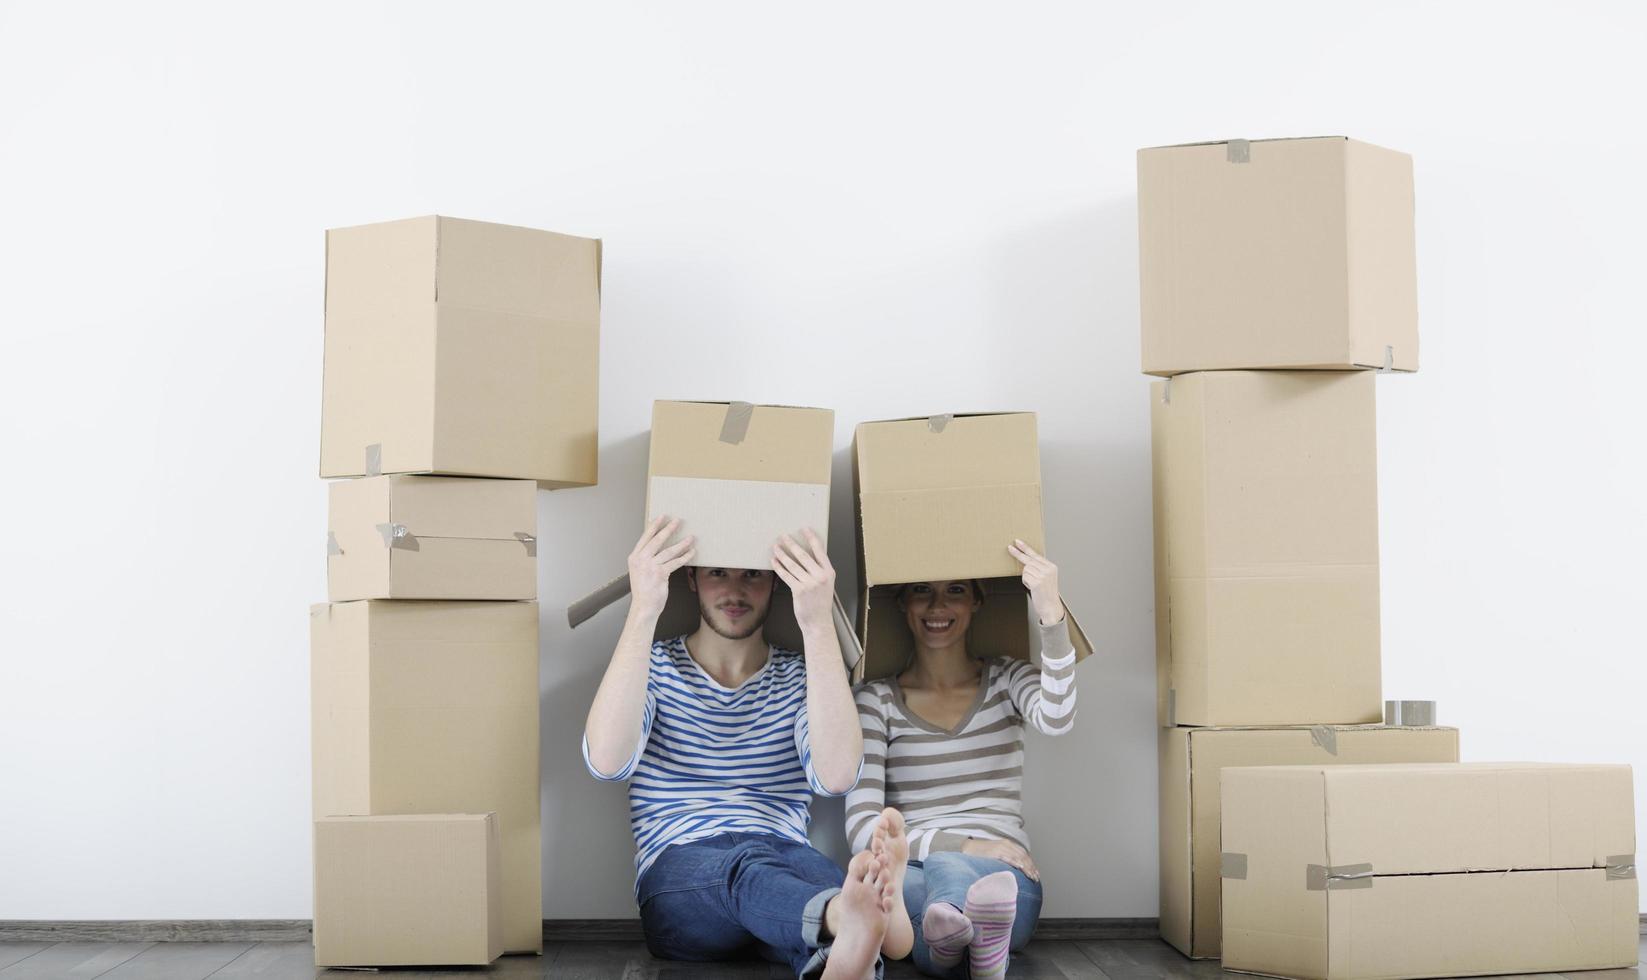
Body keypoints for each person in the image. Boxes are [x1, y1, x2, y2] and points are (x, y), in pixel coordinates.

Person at [583, 516, 905, 980]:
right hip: (681, 870)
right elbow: (607, 763)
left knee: (824, 883)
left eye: (752, 573)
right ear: (691, 578)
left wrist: (816, 623)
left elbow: (836, 778)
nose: (735, 589)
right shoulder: (650, 666)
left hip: (785, 857)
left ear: (776, 582)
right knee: (755, 871)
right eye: (719, 572)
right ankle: (840, 920)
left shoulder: (801, 675)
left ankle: (838, 953)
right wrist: (643, 609)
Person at [846, 540, 1079, 979]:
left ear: (976, 600)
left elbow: (1058, 717)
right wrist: (967, 845)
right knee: (911, 887)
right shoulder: (875, 701)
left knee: (941, 891)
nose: (938, 605)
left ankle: (952, 935)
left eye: (955, 589)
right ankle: (976, 954)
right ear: (902, 601)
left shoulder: (1008, 680)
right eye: (921, 589)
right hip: (912, 869)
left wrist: (1049, 610)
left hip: (1004, 877)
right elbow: (862, 831)